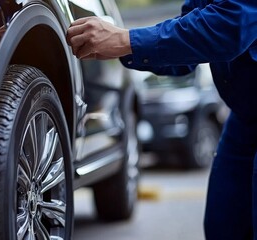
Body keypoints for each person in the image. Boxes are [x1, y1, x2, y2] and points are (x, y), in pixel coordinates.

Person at [66, 1, 257, 239]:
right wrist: (127, 47)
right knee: (224, 224)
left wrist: (126, 40)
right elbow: (188, 53)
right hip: (245, 117)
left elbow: (230, 25)